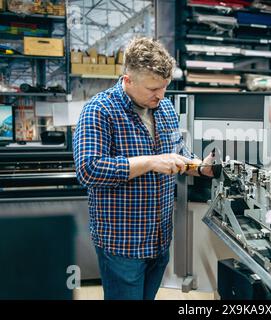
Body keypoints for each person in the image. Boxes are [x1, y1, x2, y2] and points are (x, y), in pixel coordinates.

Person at [73, 37, 214, 300]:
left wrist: (201, 167)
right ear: (128, 80)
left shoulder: (165, 108)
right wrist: (150, 161)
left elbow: (178, 153)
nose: (160, 95)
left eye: (164, 87)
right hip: (122, 241)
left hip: (159, 237)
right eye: (153, 88)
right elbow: (88, 169)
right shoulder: (99, 110)